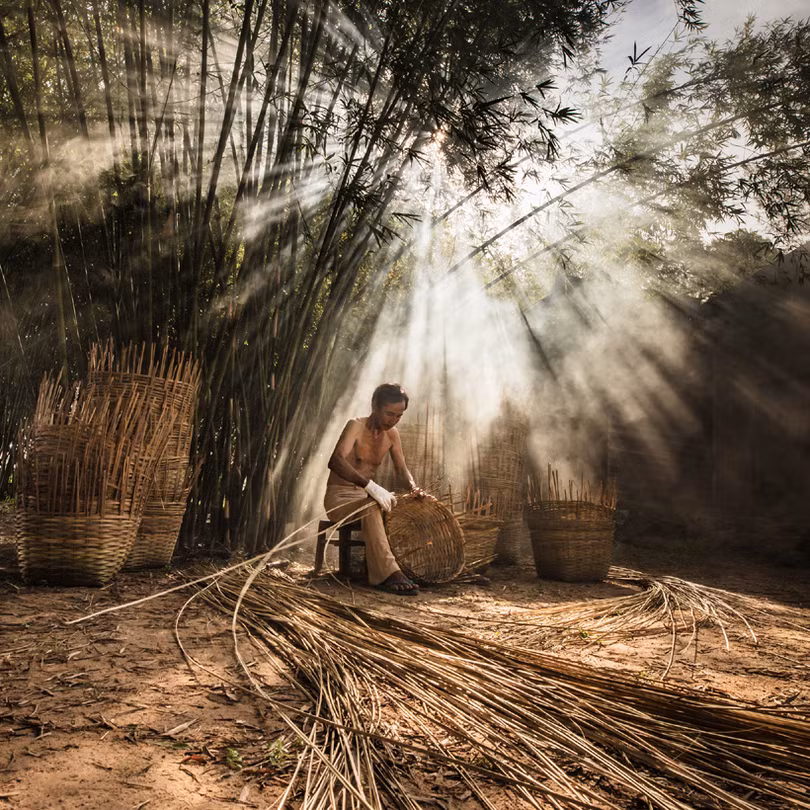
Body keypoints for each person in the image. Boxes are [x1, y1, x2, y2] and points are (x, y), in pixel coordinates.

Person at [324, 383, 426, 594]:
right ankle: (388, 574)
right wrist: (369, 485)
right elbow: (335, 461)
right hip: (339, 498)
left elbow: (401, 470)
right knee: (372, 506)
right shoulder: (355, 426)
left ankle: (410, 567)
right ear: (375, 406)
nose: (393, 420)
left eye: (399, 416)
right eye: (389, 414)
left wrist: (413, 488)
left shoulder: (392, 435)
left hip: (365, 497)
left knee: (396, 506)